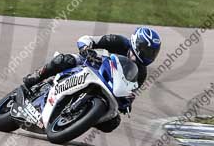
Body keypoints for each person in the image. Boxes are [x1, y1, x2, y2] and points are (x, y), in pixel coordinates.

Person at [22, 27, 162, 132]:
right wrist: (86, 49)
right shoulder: (119, 42)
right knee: (64, 60)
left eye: (152, 53)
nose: (149, 55)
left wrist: (127, 102)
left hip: (108, 86)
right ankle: (35, 77)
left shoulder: (141, 72)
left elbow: (131, 91)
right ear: (137, 43)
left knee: (112, 123)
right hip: (89, 63)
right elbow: (86, 39)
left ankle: (82, 117)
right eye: (146, 50)